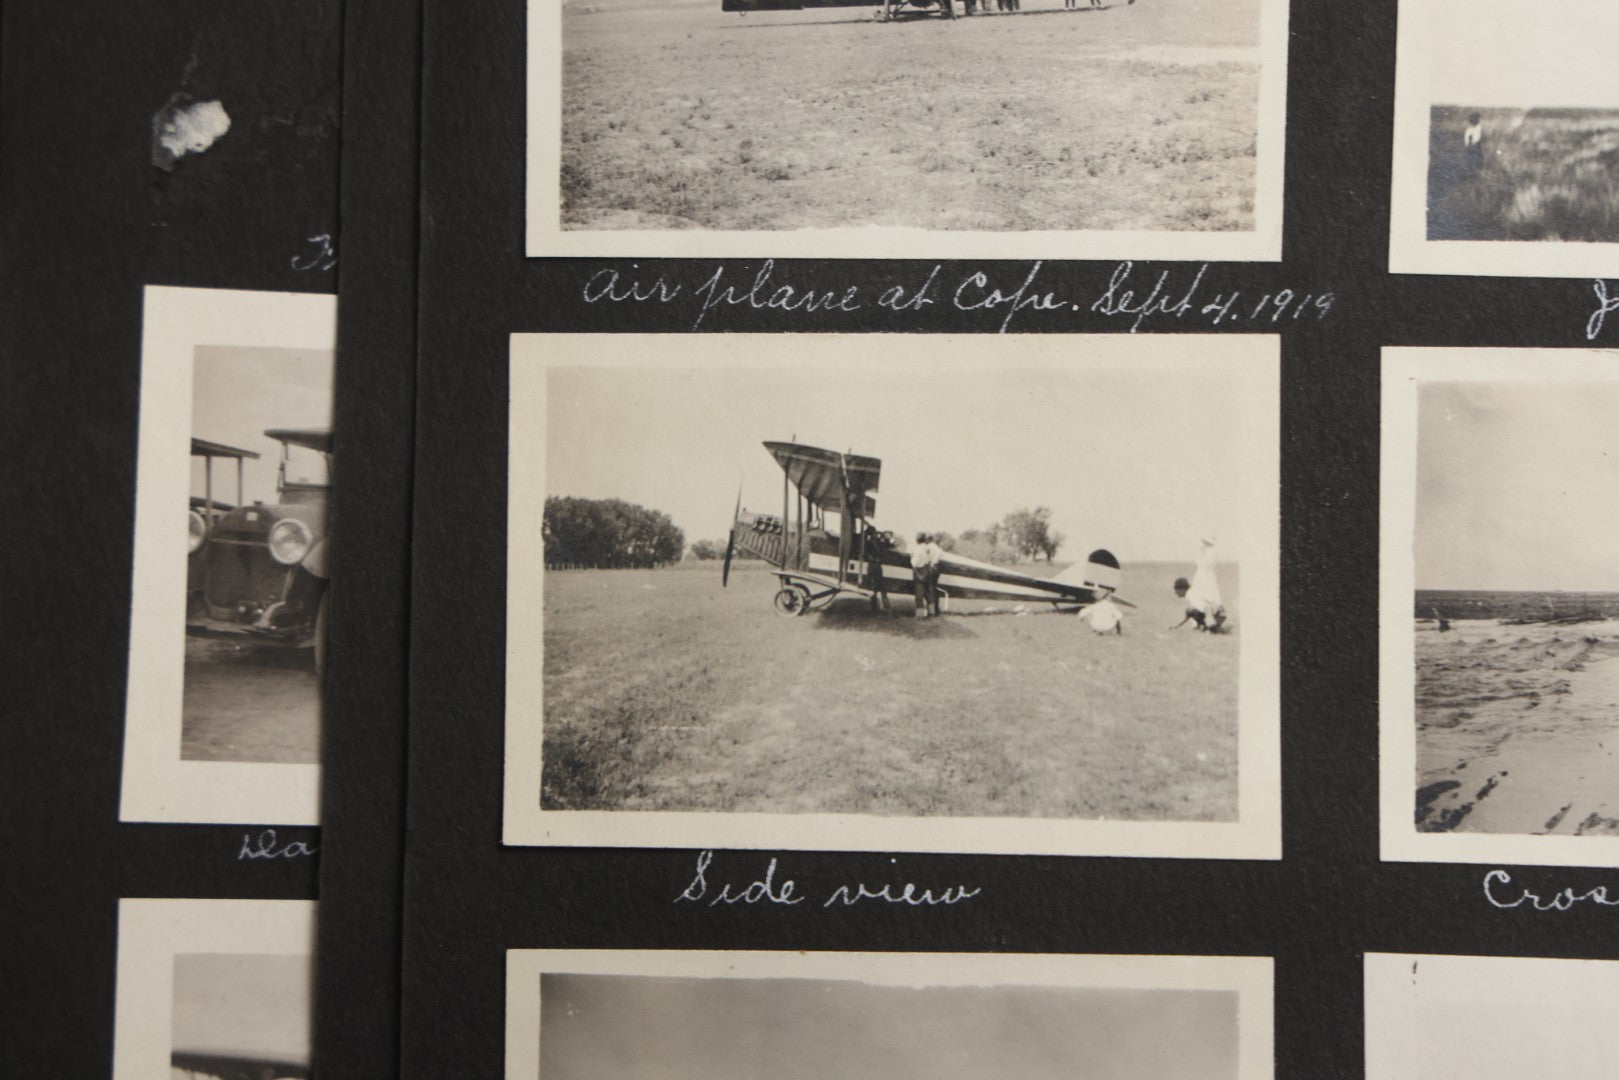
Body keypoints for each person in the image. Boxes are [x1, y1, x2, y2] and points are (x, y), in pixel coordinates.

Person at [911, 532, 943, 618]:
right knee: (930, 594)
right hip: (928, 572)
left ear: (917, 540)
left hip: (920, 572)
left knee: (919, 595)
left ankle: (920, 615)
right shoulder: (928, 548)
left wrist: (917, 574)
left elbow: (914, 563)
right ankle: (932, 613)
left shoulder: (917, 549)